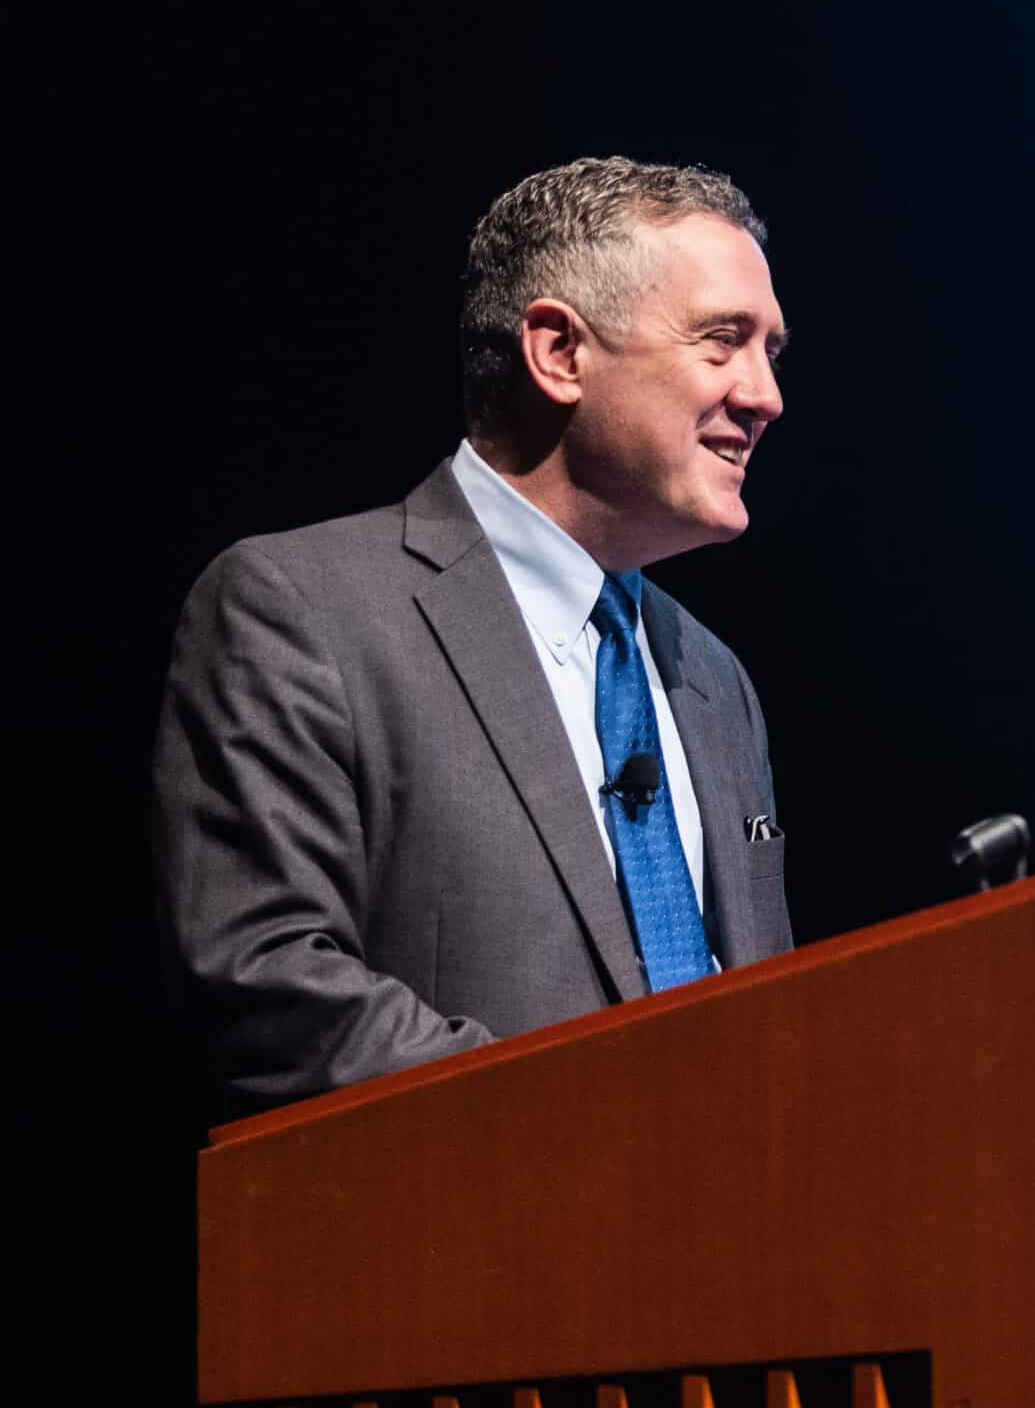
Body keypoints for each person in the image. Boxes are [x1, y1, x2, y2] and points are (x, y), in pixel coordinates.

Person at [152, 157, 796, 1111]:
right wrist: (608, 1126)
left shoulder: (713, 679)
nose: (764, 396)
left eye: (771, 353)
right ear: (558, 354)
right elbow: (266, 984)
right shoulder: (302, 609)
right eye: (721, 341)